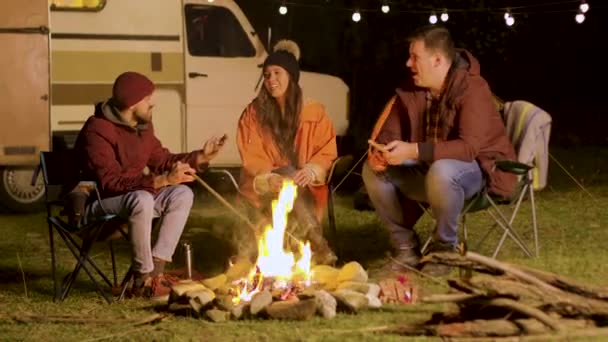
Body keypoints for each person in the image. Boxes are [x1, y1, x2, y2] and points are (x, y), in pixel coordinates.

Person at [363, 25, 517, 276]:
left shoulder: (472, 88)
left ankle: (444, 249)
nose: (408, 63)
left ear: (437, 60)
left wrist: (413, 150)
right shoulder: (413, 88)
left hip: (478, 171)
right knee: (373, 171)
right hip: (429, 171)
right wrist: (383, 151)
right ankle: (405, 249)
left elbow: (468, 148)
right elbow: (390, 129)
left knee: (443, 170)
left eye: (415, 57)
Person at [74, 71, 226, 299]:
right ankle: (141, 279)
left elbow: (163, 160)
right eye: (147, 98)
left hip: (131, 204)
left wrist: (202, 157)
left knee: (181, 194)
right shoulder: (97, 131)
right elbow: (109, 182)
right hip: (96, 206)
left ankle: (156, 273)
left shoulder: (142, 127)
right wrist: (162, 180)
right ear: (132, 103)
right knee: (143, 198)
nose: (152, 103)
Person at [236, 40, 338, 265]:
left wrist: (311, 170)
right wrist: (269, 177)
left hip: (304, 184)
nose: (271, 80)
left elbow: (326, 150)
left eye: (277, 73)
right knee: (288, 175)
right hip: (264, 183)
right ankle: (318, 245)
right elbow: (251, 155)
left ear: (291, 76)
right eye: (267, 75)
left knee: (293, 179)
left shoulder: (314, 112)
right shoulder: (253, 114)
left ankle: (310, 244)